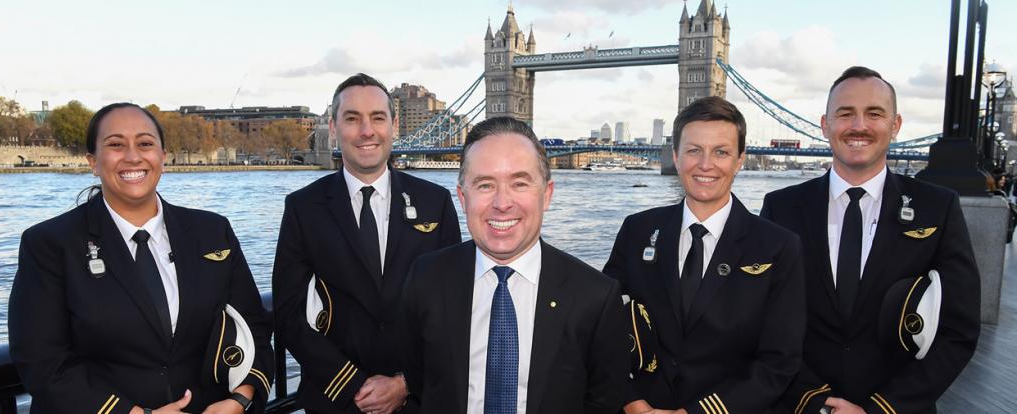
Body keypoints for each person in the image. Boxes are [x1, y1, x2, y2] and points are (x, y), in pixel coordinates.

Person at [9, 103, 274, 414]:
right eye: (116, 145)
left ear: (163, 156)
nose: (133, 156)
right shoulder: (50, 243)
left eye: (145, 144)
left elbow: (252, 325)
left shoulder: (212, 231)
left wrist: (240, 398)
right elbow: (41, 360)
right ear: (93, 162)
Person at [761, 66, 981, 413]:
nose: (859, 126)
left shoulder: (937, 208)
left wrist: (882, 408)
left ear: (895, 125)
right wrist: (816, 401)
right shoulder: (781, 208)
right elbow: (762, 320)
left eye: (874, 114)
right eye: (845, 114)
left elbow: (958, 330)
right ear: (825, 124)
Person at [400, 116, 628, 414]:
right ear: (462, 197)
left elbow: (603, 401)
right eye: (484, 185)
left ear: (546, 195)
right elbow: (418, 382)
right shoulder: (425, 279)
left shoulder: (596, 297)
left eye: (519, 183)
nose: (502, 203)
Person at [272, 73, 461, 413]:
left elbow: (454, 307)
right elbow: (288, 313)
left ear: (394, 124)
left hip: (419, 401)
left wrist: (406, 382)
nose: (366, 131)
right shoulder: (303, 208)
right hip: (335, 400)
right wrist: (352, 385)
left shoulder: (436, 202)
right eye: (352, 118)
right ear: (333, 127)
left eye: (377, 118)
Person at [603, 97, 806, 413]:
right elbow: (604, 329)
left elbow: (780, 362)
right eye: (694, 150)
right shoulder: (637, 230)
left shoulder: (777, 247)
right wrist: (631, 400)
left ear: (740, 160)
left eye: (721, 152)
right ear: (675, 155)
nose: (706, 164)